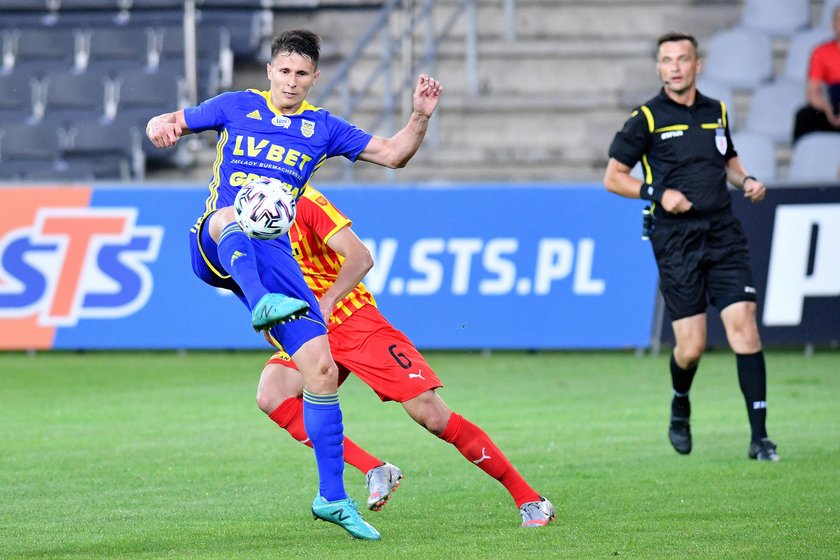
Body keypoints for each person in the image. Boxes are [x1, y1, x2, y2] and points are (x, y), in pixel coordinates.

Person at [146, 29, 442, 540]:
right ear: (270, 72)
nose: (291, 81)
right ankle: (260, 301)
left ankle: (333, 498)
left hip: (277, 256)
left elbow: (394, 154)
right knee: (229, 215)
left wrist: (419, 116)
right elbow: (170, 120)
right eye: (284, 71)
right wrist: (160, 126)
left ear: (314, 78)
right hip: (216, 242)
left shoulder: (322, 128)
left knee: (321, 372)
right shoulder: (236, 106)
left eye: (301, 74)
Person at [256, 185, 557, 528]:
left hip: (354, 321)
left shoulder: (305, 201)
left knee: (432, 415)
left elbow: (361, 257)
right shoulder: (241, 216)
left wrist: (328, 300)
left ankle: (530, 499)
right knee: (272, 393)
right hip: (310, 330)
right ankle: (375, 468)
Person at [603, 32, 780, 462]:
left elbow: (728, 159)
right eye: (667, 60)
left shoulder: (716, 110)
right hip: (676, 239)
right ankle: (680, 403)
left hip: (722, 232)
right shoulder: (646, 118)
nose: (675, 67)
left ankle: (760, 439)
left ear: (697, 65)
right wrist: (658, 193)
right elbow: (613, 177)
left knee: (745, 328)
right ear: (659, 68)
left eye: (682, 59)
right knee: (692, 346)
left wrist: (746, 180)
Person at [792, 5, 840, 144]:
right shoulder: (821, 52)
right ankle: (803, 154)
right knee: (804, 117)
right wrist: (827, 108)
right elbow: (812, 91)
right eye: (838, 19)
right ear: (832, 24)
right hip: (831, 105)